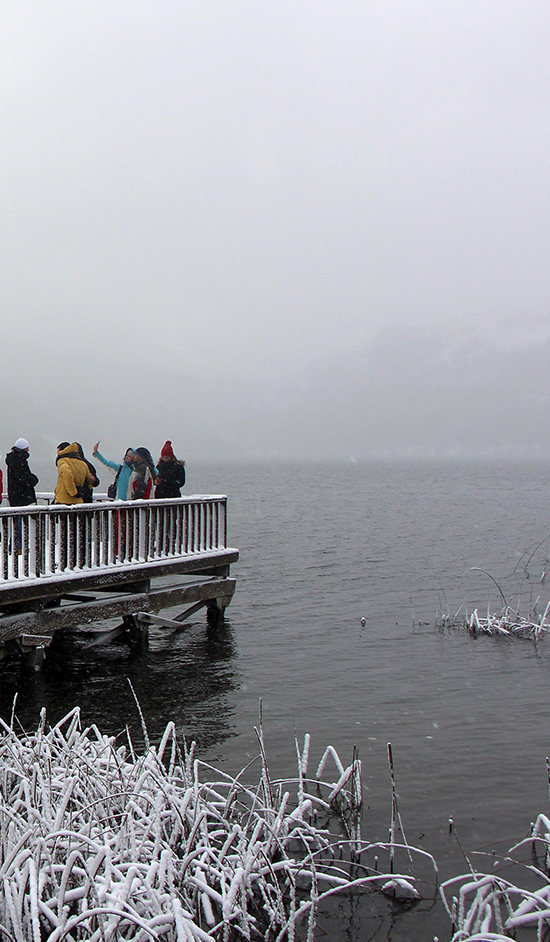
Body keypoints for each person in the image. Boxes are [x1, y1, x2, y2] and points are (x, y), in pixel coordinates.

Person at [6, 438, 39, 507]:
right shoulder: (19, 461)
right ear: (23, 448)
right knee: (24, 512)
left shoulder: (13, 460)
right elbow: (23, 478)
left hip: (15, 496)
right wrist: (33, 480)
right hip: (22, 497)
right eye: (27, 448)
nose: (28, 450)